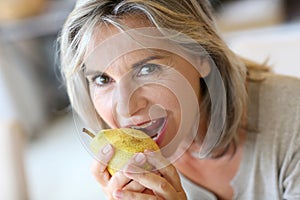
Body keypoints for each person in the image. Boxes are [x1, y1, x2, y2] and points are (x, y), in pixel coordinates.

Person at [59, 0, 300, 199]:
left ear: (202, 57)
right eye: (102, 79)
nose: (126, 107)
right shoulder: (122, 169)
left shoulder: (292, 118)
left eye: (147, 69)